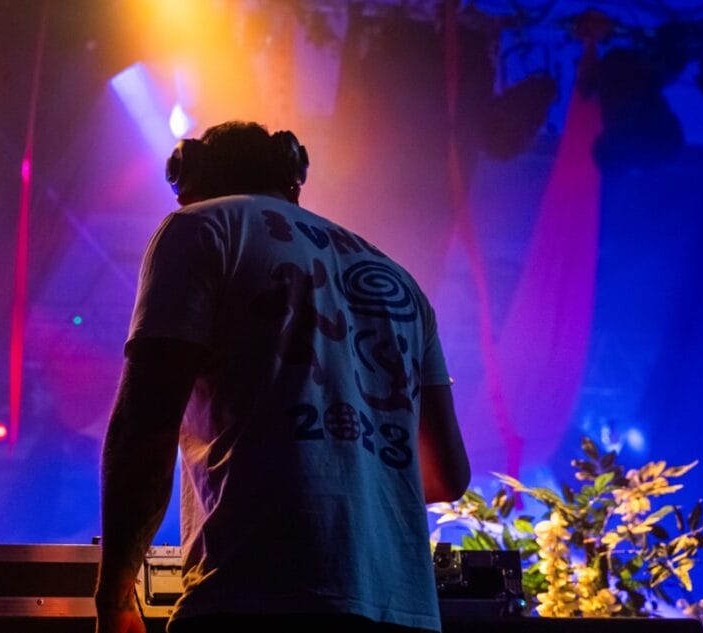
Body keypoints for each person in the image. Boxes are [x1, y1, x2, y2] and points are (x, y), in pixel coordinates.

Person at [94, 121, 470, 633]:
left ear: (187, 176)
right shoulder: (399, 279)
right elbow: (447, 475)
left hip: (255, 598)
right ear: (293, 176)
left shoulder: (201, 227)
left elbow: (146, 428)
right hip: (405, 611)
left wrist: (115, 596)